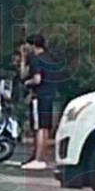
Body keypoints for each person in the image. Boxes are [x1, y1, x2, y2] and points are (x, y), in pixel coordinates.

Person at [21, 35, 57, 171]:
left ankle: (37, 158)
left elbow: (36, 79)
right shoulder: (50, 58)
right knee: (45, 127)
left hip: (39, 96)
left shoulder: (36, 59)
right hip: (49, 94)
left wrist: (27, 82)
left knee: (38, 128)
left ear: (32, 45)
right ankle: (41, 157)